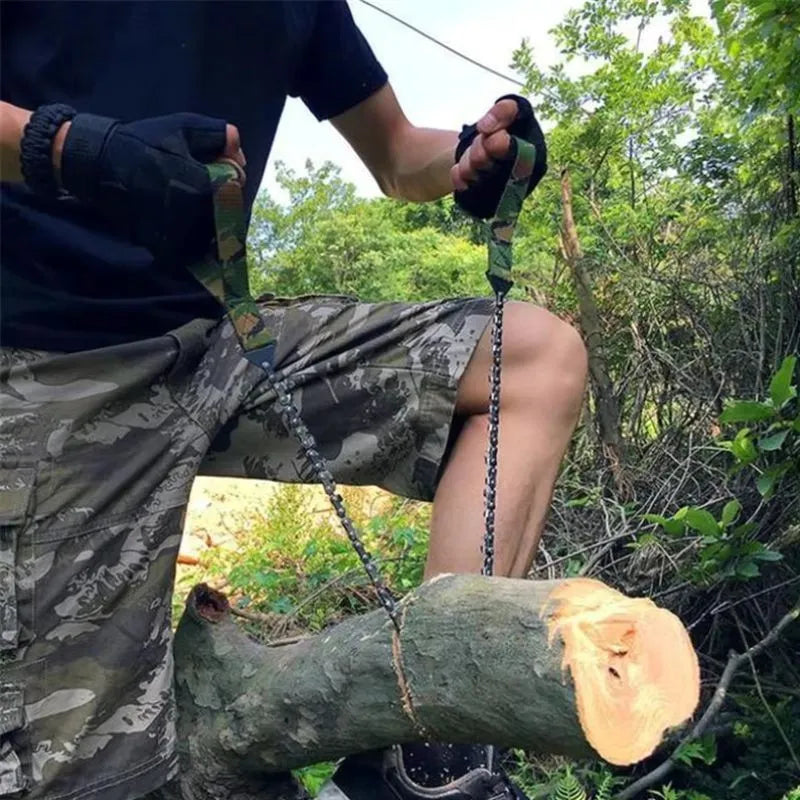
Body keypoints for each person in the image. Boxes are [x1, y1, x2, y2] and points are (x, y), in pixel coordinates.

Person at [0, 2, 588, 799]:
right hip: (51, 360)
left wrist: (470, 158)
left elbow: (395, 154)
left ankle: (424, 760)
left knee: (533, 361)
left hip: (220, 336)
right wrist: (69, 149)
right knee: (93, 780)